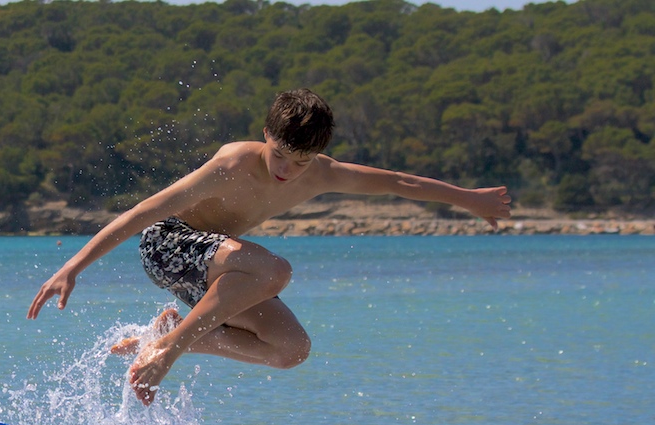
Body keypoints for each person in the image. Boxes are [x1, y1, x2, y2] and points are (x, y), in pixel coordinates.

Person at [27, 89, 512, 405]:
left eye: (300, 163)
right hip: (168, 246)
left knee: (289, 350)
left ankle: (163, 338)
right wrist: (74, 265)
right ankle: (167, 353)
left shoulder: (322, 173)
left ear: (316, 155)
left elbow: (399, 182)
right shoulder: (231, 165)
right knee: (273, 270)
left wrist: (468, 199)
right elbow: (144, 213)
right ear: (266, 136)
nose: (286, 170)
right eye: (279, 155)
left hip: (221, 269)